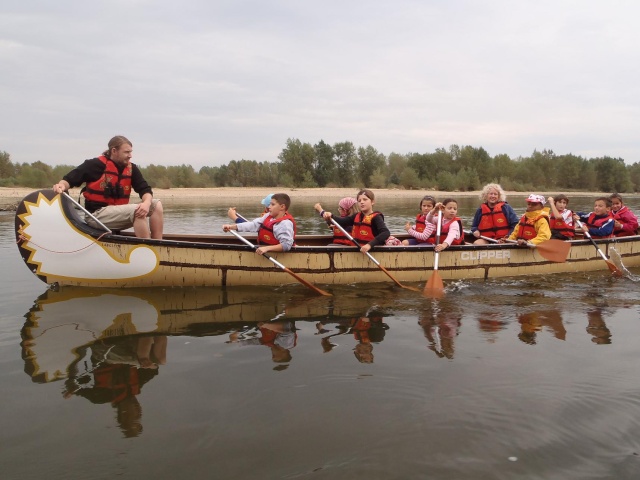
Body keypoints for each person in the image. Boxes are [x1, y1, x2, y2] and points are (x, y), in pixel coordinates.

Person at [52, 135, 164, 239]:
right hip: (96, 216)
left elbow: (145, 189)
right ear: (114, 151)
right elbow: (69, 180)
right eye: (126, 152)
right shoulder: (94, 165)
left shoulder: (132, 168)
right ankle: (148, 251)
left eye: (131, 152)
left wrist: (146, 203)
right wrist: (61, 185)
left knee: (156, 205)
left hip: (118, 215)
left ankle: (159, 245)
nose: (130, 155)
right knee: (137, 211)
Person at [314, 189, 390, 253]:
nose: (362, 202)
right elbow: (342, 221)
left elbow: (385, 233)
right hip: (358, 250)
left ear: (372, 202)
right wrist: (331, 215)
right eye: (359, 200)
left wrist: (369, 245)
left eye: (365, 199)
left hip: (372, 251)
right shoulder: (357, 215)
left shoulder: (376, 217)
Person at [222, 193, 295, 255]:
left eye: (272, 204)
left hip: (275, 254)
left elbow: (286, 245)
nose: (269, 207)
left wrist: (267, 248)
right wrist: (231, 227)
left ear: (282, 207)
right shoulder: (268, 216)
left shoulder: (285, 224)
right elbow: (253, 225)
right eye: (269, 204)